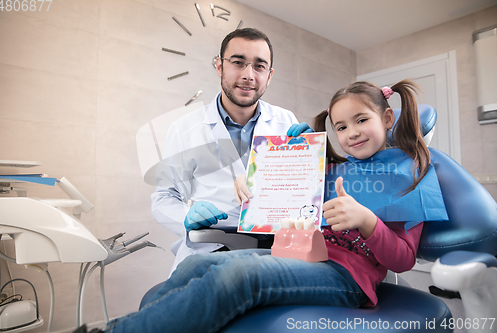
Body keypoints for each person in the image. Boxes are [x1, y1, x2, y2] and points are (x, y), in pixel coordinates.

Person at [76, 79, 448, 333]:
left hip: (348, 279)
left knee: (236, 278)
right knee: (196, 262)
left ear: (387, 118)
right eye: (340, 126)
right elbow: (281, 199)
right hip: (300, 257)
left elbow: (403, 260)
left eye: (361, 120)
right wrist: (267, 170)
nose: (351, 133)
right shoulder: (333, 168)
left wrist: (368, 222)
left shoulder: (411, 174)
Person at [152, 28, 311, 272]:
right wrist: (185, 216)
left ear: (269, 76)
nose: (248, 75)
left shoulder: (284, 121)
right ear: (220, 66)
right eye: (238, 62)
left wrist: (311, 160)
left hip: (273, 250)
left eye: (259, 66)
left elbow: (298, 194)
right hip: (209, 249)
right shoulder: (185, 129)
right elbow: (164, 197)